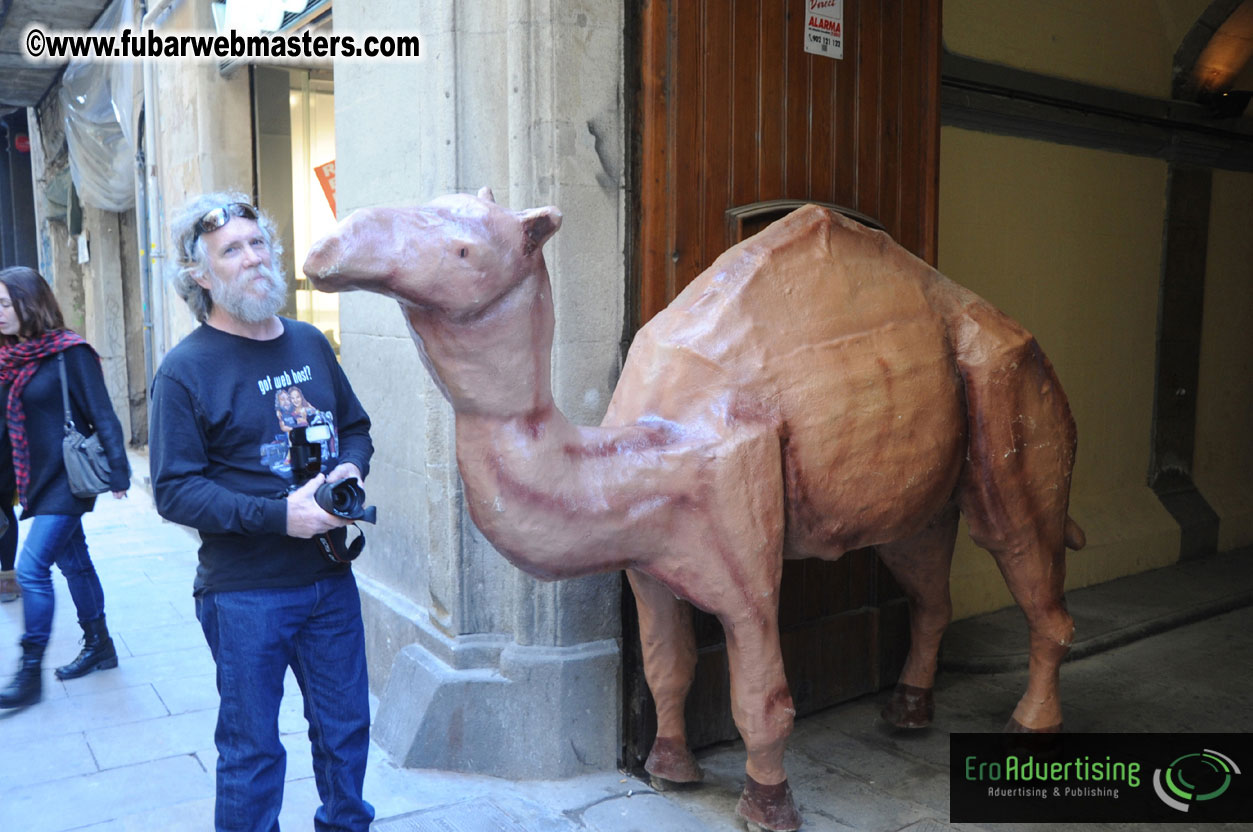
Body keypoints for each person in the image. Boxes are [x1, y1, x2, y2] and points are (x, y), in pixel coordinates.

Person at [149, 191, 375, 832]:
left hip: (330, 581)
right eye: (231, 250)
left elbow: (355, 426)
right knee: (251, 753)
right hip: (245, 594)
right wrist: (282, 517)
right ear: (200, 275)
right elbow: (175, 490)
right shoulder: (185, 371)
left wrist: (350, 467)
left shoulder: (308, 342)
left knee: (345, 732)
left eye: (258, 243)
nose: (252, 258)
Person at [0, 266, 131, 709]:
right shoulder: (10, 356)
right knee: (75, 564)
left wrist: (119, 472)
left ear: (28, 302)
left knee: (32, 569)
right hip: (33, 481)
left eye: (4, 304)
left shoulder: (68, 353)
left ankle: (29, 671)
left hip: (67, 480)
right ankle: (100, 645)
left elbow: (102, 412)